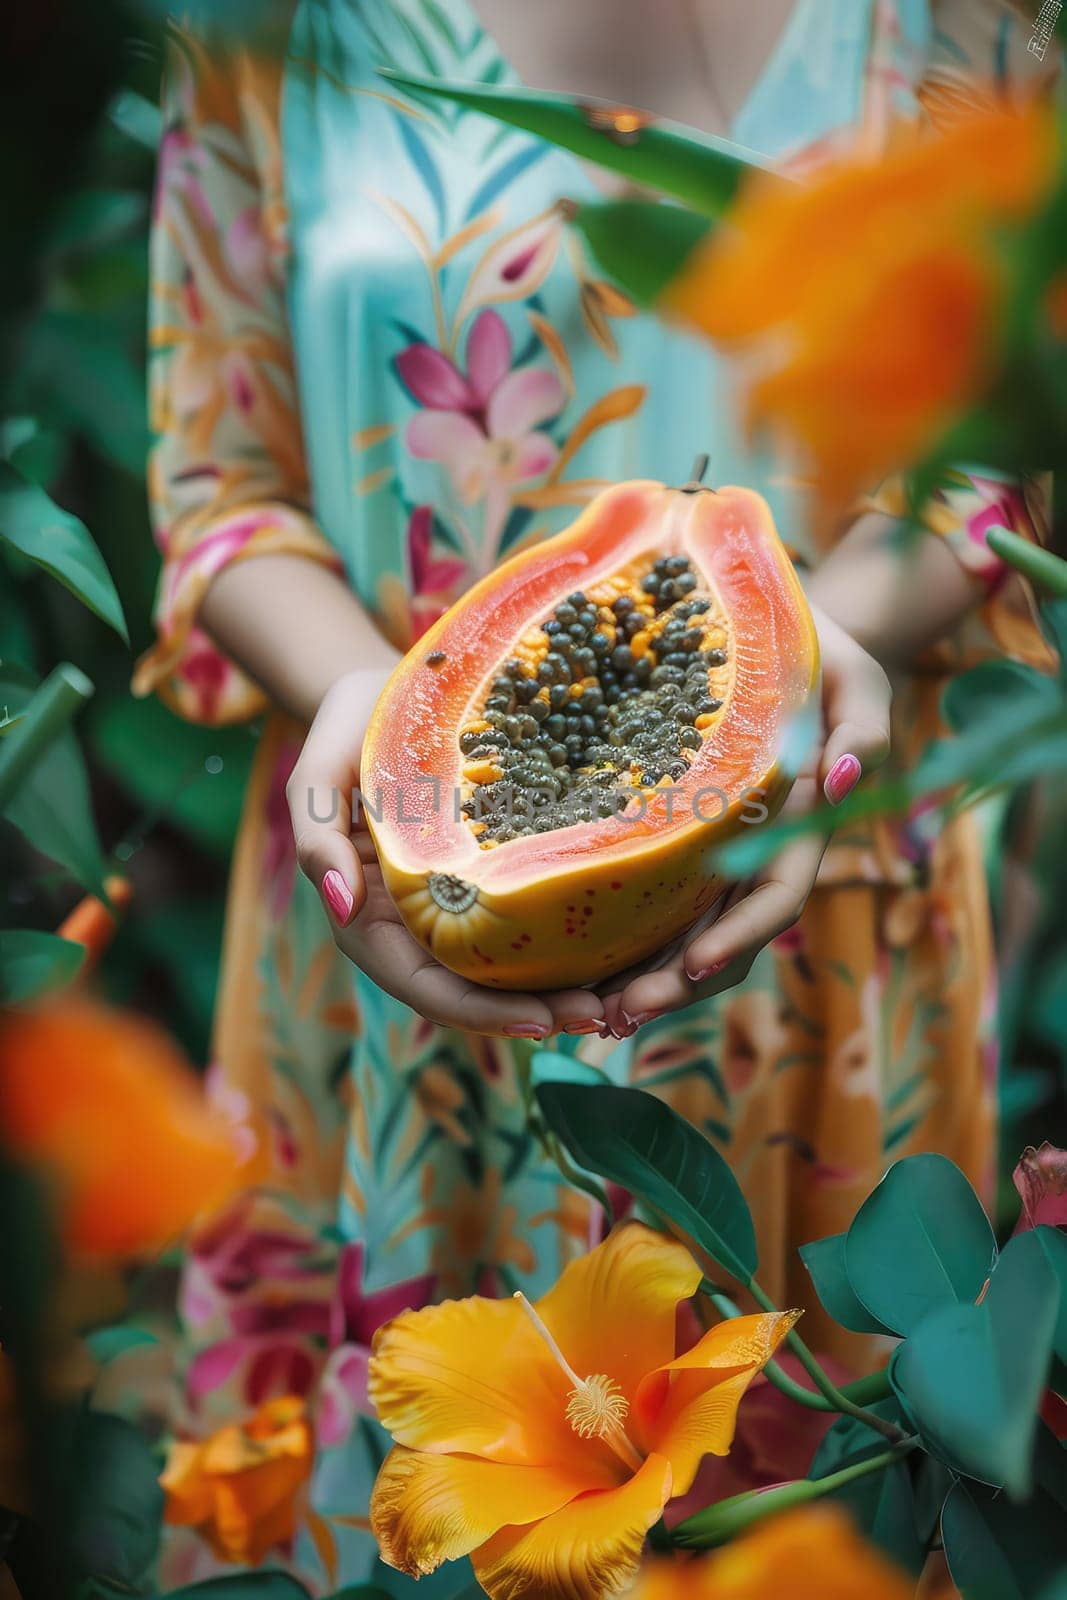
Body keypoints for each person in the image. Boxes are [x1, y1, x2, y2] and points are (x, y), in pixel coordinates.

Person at [133, 0, 1058, 1586]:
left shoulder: (980, 22)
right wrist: (371, 709)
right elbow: (221, 490)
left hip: (821, 937)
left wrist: (813, 645)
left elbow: (994, 464)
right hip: (381, 939)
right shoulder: (256, 27)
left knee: (802, 1523)